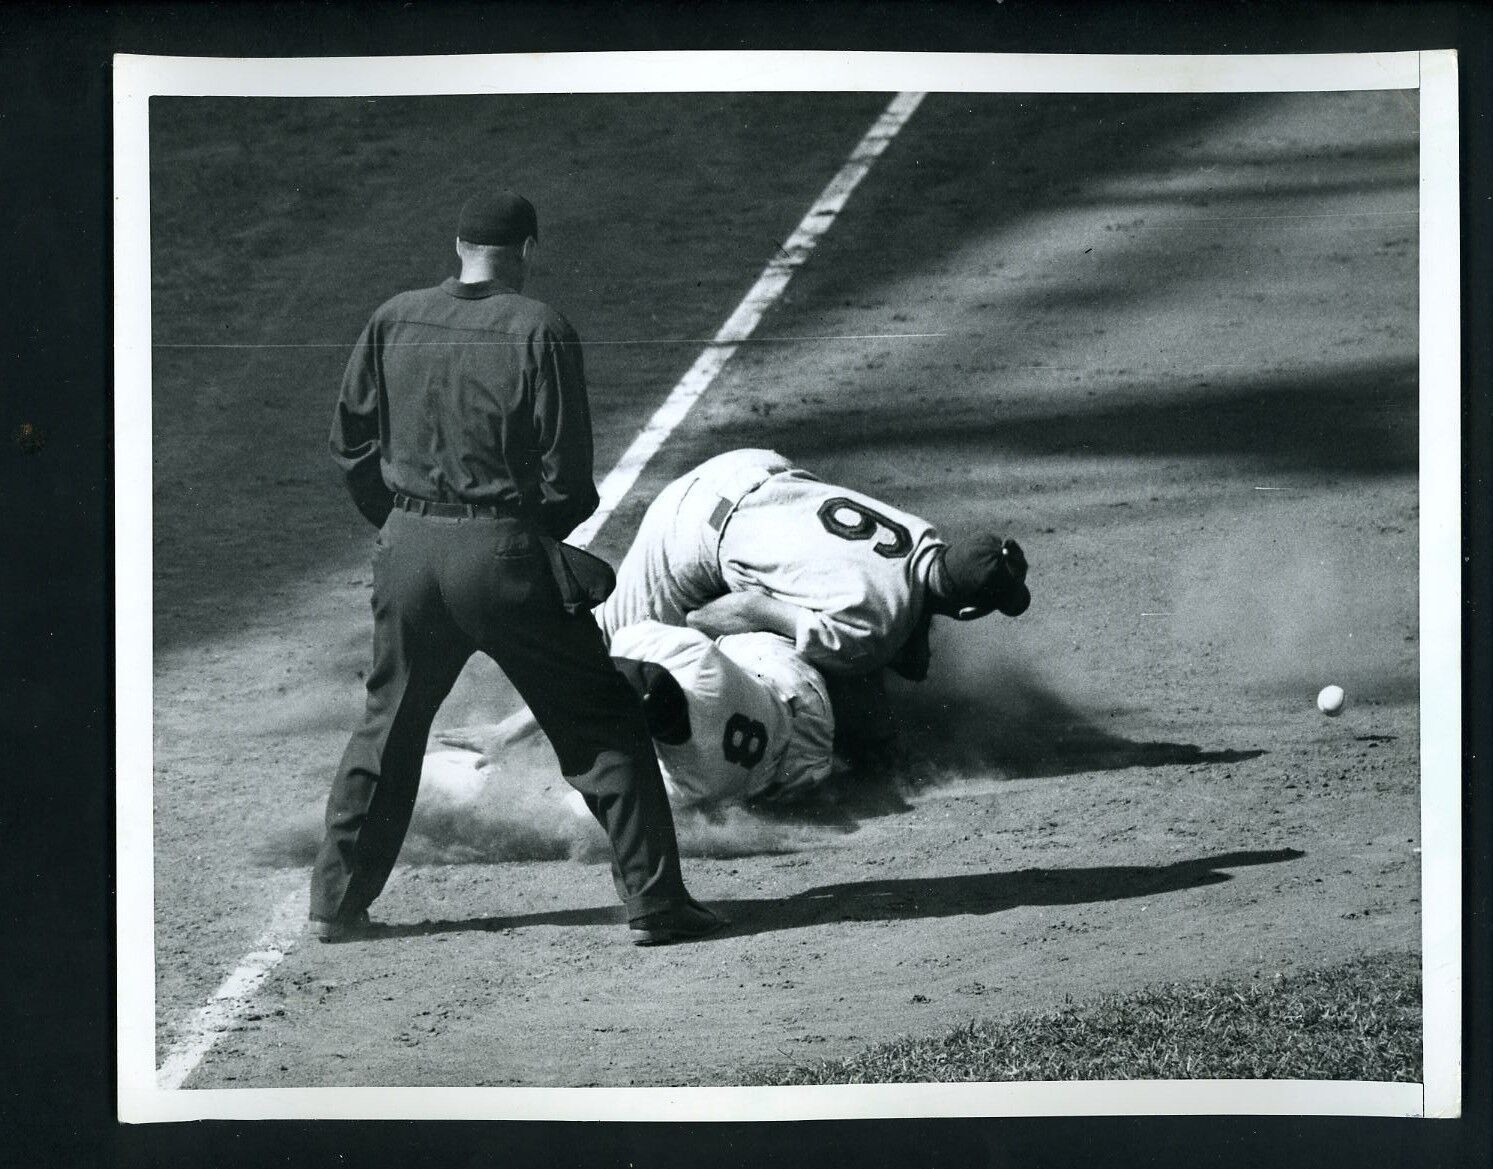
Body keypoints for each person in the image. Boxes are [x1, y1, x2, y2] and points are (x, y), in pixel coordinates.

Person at [310, 190, 721, 947]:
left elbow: (349, 444)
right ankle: (656, 903)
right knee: (601, 722)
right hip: (500, 554)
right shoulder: (539, 327)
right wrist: (525, 544)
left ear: (457, 245)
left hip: (404, 551)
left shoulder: (392, 315)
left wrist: (403, 526)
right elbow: (567, 479)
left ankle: (336, 905)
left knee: (386, 727)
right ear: (527, 249)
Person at [595, 448, 1030, 682]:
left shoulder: (921, 534)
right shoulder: (871, 633)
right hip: (690, 537)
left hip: (742, 466)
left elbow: (887, 584)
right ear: (970, 612)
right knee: (601, 662)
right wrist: (683, 638)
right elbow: (734, 611)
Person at [609, 620, 836, 807]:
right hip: (787, 679)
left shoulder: (689, 782)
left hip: (800, 764)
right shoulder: (696, 659)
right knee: (702, 616)